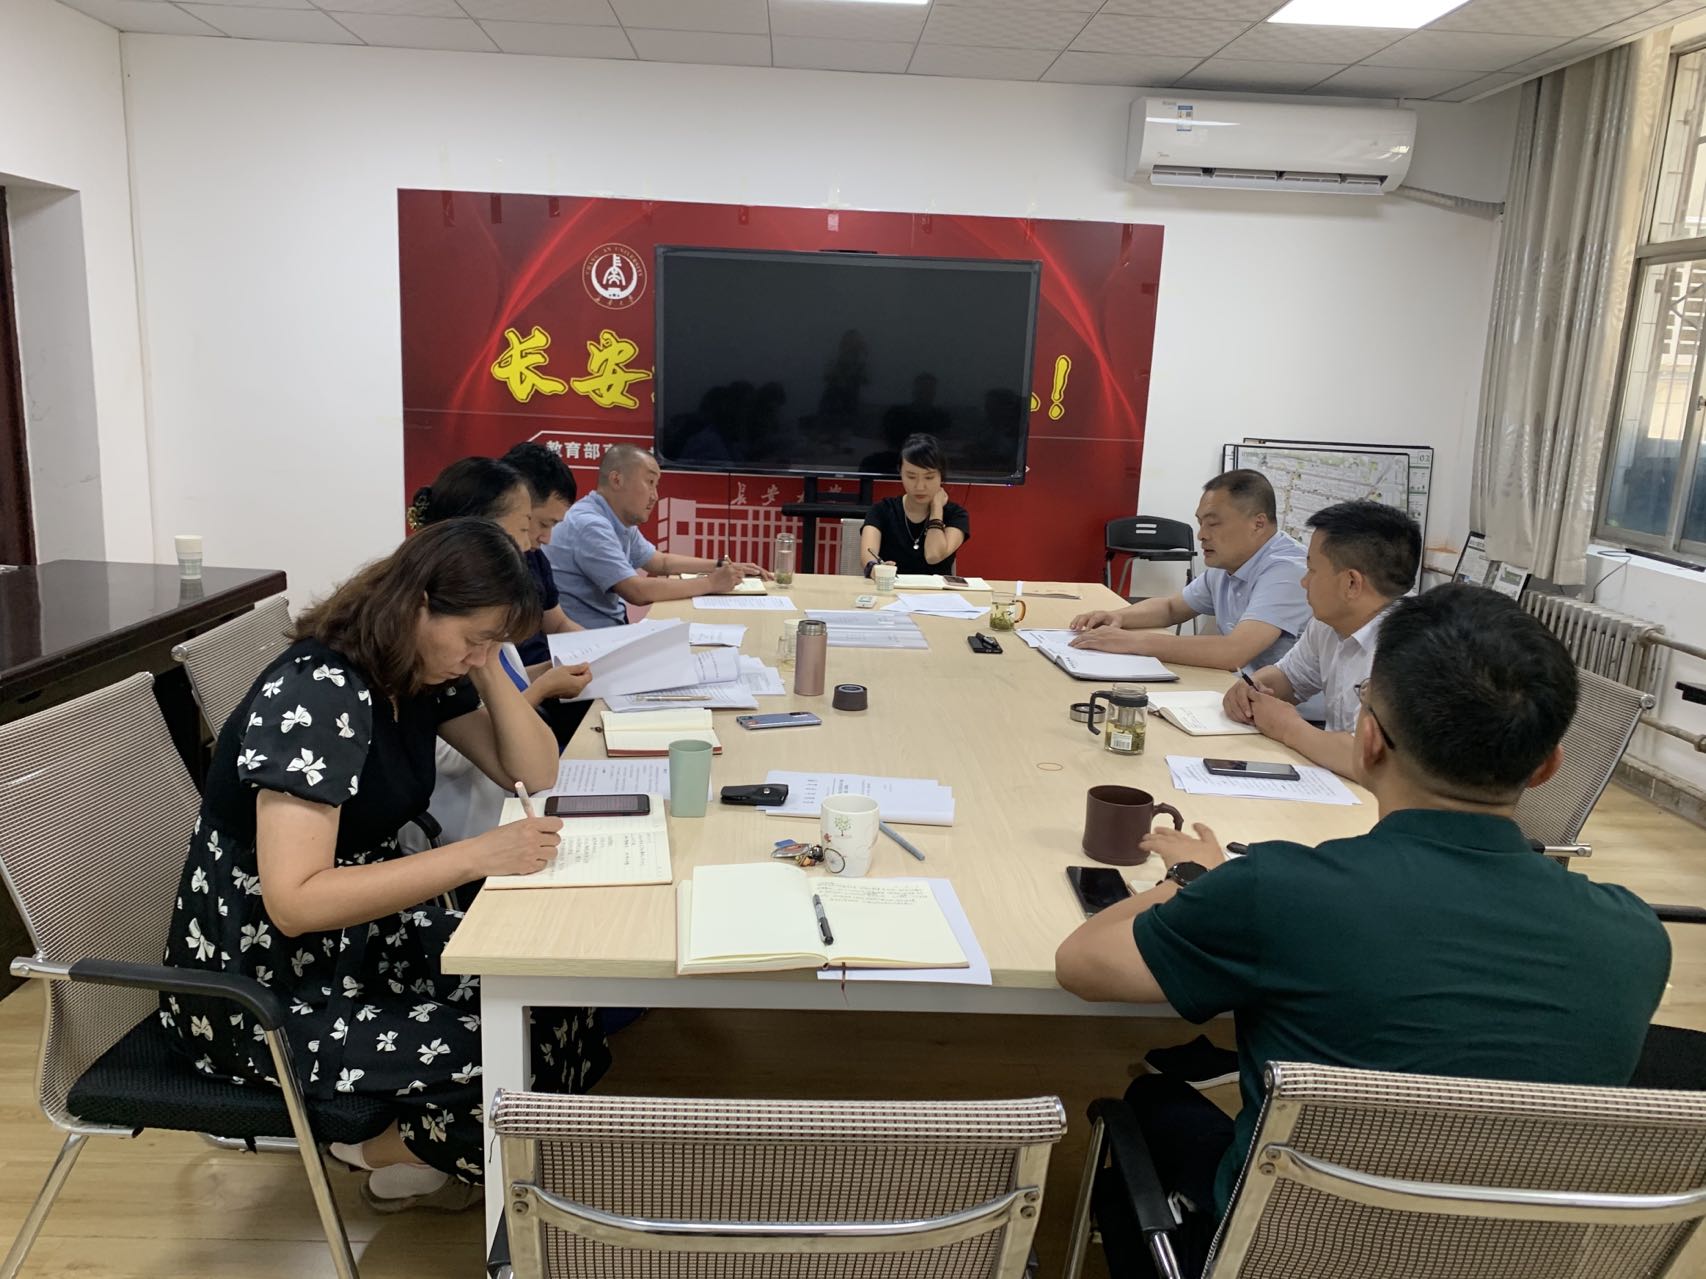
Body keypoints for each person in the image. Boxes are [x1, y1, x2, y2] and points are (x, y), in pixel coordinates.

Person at [1054, 585, 1670, 1277]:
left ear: (1368, 739)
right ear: (1549, 764)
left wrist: (1189, 877)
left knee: (1148, 1101)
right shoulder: (1637, 936)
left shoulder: (1279, 890)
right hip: (1509, 1257)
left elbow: (1083, 962)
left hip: (1288, 1254)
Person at [161, 519, 611, 1212]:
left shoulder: (416, 670)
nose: (478, 655)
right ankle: (376, 1148)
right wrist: (478, 855)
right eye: (473, 638)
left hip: (365, 936)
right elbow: (295, 902)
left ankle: (429, 1151)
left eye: (491, 643)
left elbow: (533, 769)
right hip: (266, 982)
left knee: (554, 996)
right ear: (418, 604)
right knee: (502, 1052)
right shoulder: (317, 694)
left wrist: (484, 659)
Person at [1223, 499, 1420, 778]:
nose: (1304, 582)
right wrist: (1251, 689)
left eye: (1312, 570)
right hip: (1334, 782)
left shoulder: (1412, 647)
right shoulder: (1329, 622)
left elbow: (1374, 762)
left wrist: (1287, 727)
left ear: (1351, 583)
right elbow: (1288, 678)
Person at [1069, 470, 1308, 671]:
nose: (1201, 535)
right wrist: (1118, 617)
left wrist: (1131, 641)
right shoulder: (1229, 562)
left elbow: (1233, 652)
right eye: (1200, 523)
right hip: (1242, 691)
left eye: (1213, 523)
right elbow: (1171, 608)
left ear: (1258, 524)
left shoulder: (1288, 570)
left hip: (1289, 708)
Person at [410, 456, 589, 709]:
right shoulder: (452, 628)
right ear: (479, 528)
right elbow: (480, 726)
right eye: (524, 528)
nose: (528, 544)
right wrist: (542, 688)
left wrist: (548, 673)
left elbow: (506, 683)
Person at [545, 444, 767, 629]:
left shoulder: (616, 518)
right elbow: (637, 591)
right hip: (585, 642)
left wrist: (721, 565)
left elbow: (660, 562)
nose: (655, 496)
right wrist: (711, 583)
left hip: (606, 632)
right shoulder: (590, 525)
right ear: (616, 480)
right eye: (650, 483)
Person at [858, 434, 970, 577]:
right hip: (890, 587)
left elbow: (933, 556)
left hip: (937, 591)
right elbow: (867, 557)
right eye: (911, 477)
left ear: (941, 475)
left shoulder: (956, 515)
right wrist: (876, 569)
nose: (920, 486)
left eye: (929, 477)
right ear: (900, 473)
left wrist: (936, 510)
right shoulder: (881, 510)